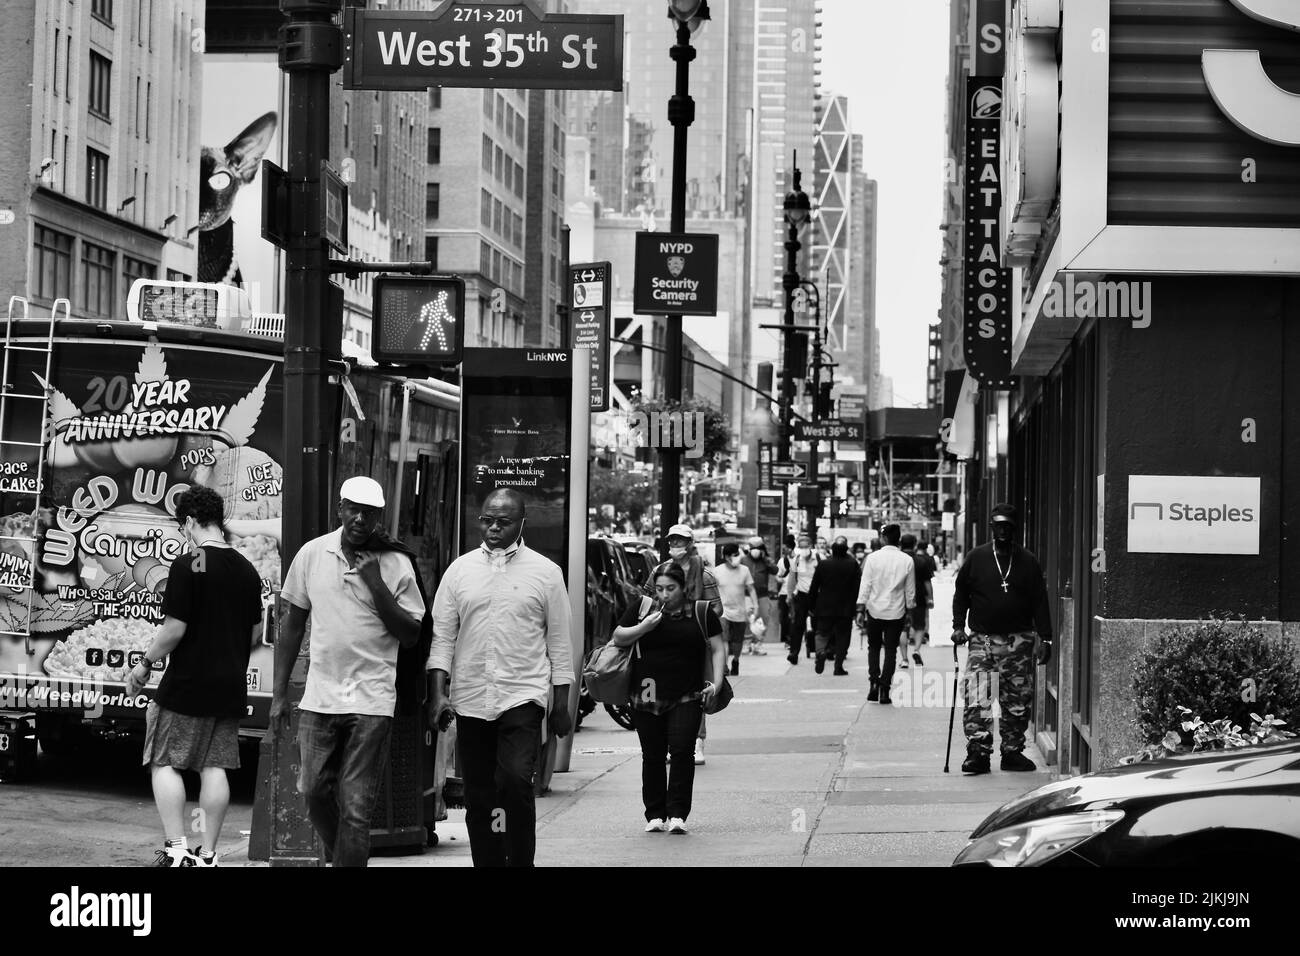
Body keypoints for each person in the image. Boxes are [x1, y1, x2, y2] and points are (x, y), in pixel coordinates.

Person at [274, 476, 426, 867]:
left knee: (357, 806)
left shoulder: (396, 563)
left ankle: (344, 859)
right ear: (339, 509)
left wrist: (376, 584)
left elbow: (411, 634)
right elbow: (292, 624)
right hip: (320, 695)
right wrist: (278, 695)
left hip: (372, 699)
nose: (360, 519)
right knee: (312, 789)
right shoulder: (312, 554)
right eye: (353, 510)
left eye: (369, 513)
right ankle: (341, 856)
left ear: (379, 517)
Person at [427, 488, 573, 866]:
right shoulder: (459, 571)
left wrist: (561, 703)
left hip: (521, 695)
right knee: (479, 794)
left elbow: (560, 644)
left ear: (522, 523)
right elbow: (442, 638)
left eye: (503, 522)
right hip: (471, 697)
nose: (493, 528)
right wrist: (438, 694)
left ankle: (521, 860)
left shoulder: (546, 574)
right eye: (487, 520)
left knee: (514, 782)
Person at [127, 485, 264, 867]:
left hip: (187, 684)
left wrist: (144, 663)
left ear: (189, 522)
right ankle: (208, 855)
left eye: (182, 527)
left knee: (163, 759)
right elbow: (254, 633)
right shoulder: (247, 569)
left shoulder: (191, 563)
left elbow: (174, 629)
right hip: (229, 685)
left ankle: (176, 848)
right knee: (214, 766)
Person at [611, 563, 726, 834]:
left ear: (683, 587)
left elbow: (719, 648)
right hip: (645, 694)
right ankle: (654, 814)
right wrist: (643, 628)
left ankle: (677, 814)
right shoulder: (642, 607)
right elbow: (618, 637)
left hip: (687, 694)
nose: (665, 594)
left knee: (682, 752)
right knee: (652, 755)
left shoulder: (701, 611)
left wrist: (717, 684)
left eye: (671, 589)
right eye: (660, 589)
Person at [952, 504, 1052, 775]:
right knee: (977, 696)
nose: (1003, 530)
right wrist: (958, 625)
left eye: (1008, 525)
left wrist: (1047, 638)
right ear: (992, 527)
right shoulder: (977, 557)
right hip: (982, 640)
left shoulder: (1027, 560)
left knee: (1017, 700)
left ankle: (1012, 751)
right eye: (999, 525)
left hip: (1019, 641)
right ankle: (978, 752)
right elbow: (961, 593)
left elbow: (1039, 601)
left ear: (1014, 528)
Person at [656, 524, 722, 764]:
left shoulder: (704, 575)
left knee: (696, 692)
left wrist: (695, 619)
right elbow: (646, 602)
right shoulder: (661, 570)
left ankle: (697, 741)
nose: (675, 545)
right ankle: (666, 741)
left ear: (690, 543)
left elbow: (717, 608)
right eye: (672, 540)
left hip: (695, 644)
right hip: (663, 642)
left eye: (680, 541)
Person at [854, 524, 915, 705]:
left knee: (873, 647)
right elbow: (910, 591)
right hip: (896, 611)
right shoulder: (907, 560)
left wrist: (860, 608)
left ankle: (873, 682)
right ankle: (885, 688)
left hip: (874, 610)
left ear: (883, 538)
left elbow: (865, 585)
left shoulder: (872, 558)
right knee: (890, 650)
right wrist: (910, 611)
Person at [806, 536, 861, 676]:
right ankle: (838, 666)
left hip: (825, 606)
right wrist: (857, 607)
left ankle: (820, 652)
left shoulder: (824, 564)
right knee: (843, 636)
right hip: (846, 607)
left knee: (822, 633)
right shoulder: (853, 564)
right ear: (846, 549)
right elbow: (857, 588)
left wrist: (810, 605)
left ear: (832, 550)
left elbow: (814, 586)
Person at [713, 542, 758, 675]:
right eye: (735, 555)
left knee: (737, 642)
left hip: (740, 612)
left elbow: (751, 589)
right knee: (724, 639)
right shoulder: (717, 571)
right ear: (727, 557)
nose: (738, 557)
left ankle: (736, 660)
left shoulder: (744, 570)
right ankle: (725, 666)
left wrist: (756, 606)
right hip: (723, 612)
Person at [899, 534, 934, 670]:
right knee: (919, 626)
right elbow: (927, 582)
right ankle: (916, 650)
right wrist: (930, 598)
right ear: (914, 545)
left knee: (903, 628)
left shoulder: (899, 560)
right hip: (919, 597)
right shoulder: (921, 561)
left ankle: (904, 659)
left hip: (900, 598)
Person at [784, 532, 820, 664]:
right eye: (801, 546)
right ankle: (794, 653)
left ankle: (818, 651)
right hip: (801, 596)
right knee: (797, 625)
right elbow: (792, 580)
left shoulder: (819, 559)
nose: (804, 549)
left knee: (817, 625)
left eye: (806, 546)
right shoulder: (796, 560)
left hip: (816, 596)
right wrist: (789, 595)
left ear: (811, 546)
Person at [741, 535, 779, 655]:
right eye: (753, 547)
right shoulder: (743, 560)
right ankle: (747, 643)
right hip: (747, 594)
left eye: (758, 547)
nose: (755, 550)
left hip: (762, 595)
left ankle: (758, 643)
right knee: (747, 618)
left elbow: (775, 570)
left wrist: (767, 561)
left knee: (763, 618)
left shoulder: (765, 560)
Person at [775, 533, 796, 651]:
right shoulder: (782, 561)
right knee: (784, 617)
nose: (785, 550)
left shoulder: (798, 559)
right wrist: (780, 579)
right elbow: (777, 576)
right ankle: (787, 638)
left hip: (795, 593)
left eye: (786, 548)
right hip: (783, 593)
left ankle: (791, 639)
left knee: (794, 617)